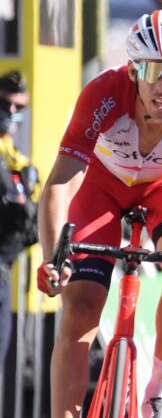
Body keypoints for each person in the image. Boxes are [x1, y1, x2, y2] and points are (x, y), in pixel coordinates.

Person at [36, 10, 162, 418]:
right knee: (80, 305)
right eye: (152, 70)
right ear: (133, 71)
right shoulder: (104, 92)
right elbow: (60, 182)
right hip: (102, 183)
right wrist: (52, 258)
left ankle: (156, 390)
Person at [0, 71, 37, 376]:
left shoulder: (16, 159)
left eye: (19, 107)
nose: (11, 112)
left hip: (6, 268)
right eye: (4, 103)